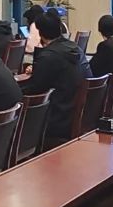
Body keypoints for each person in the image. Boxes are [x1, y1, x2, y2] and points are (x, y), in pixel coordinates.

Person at [24, 12, 92, 143]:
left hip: (58, 120)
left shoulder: (49, 56)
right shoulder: (75, 48)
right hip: (80, 115)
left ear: (40, 33)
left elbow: (35, 89)